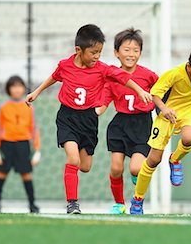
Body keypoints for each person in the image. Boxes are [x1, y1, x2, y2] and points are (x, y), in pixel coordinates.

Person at [25, 24, 152, 214]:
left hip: (88, 120)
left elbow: (124, 78)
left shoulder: (102, 69)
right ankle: (72, 204)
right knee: (73, 159)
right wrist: (36, 92)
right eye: (93, 52)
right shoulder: (65, 65)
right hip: (67, 117)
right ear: (79, 50)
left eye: (99, 52)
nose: (97, 57)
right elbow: (54, 77)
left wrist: (140, 90)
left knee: (85, 166)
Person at [129, 42, 191, 215]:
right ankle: (137, 200)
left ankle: (175, 160)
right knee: (153, 160)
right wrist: (164, 109)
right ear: (190, 68)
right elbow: (155, 94)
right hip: (167, 113)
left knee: (188, 138)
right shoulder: (174, 74)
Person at [97, 28, 158, 214]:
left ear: (140, 53)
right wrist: (92, 112)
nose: (131, 54)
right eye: (126, 49)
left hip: (142, 125)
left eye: (135, 50)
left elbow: (161, 93)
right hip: (120, 125)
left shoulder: (148, 75)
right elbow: (103, 103)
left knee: (134, 168)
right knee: (116, 168)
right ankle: (119, 204)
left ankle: (137, 192)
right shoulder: (112, 76)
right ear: (116, 52)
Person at [0, 75, 41, 213]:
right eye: (13, 86)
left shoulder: (29, 107)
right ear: (8, 89)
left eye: (20, 86)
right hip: (6, 144)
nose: (17, 89)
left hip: (23, 145)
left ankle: (32, 205)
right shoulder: (2, 106)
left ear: (24, 88)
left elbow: (34, 128)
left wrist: (37, 150)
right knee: (1, 174)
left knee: (26, 175)